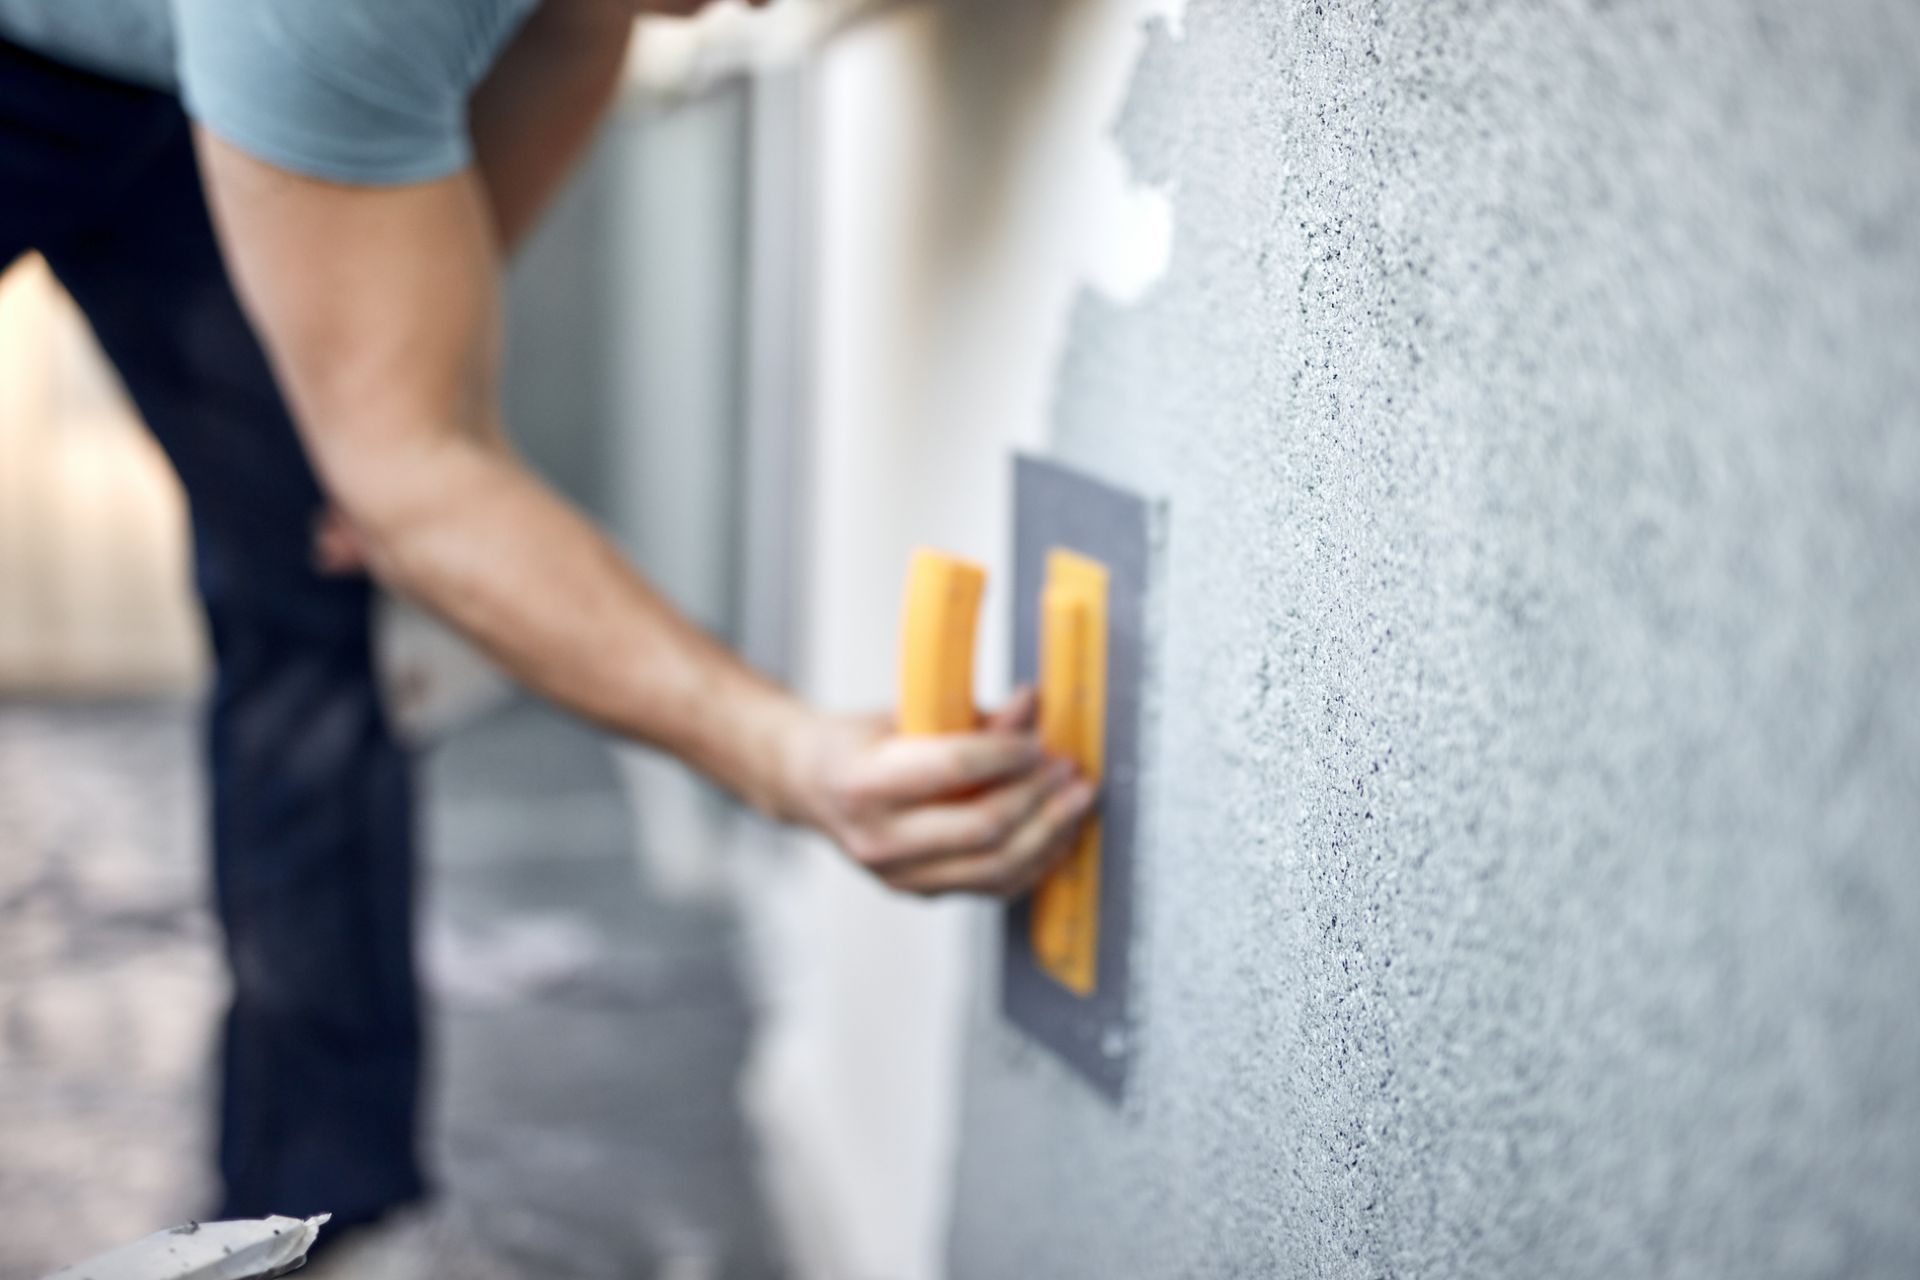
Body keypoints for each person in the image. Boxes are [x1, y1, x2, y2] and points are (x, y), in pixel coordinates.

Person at [0, 0, 1094, 1246]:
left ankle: (314, 1214)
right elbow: (412, 465)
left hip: (208, 68)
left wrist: (405, 402)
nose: (760, 10)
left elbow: (571, 36)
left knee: (312, 586)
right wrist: (788, 756)